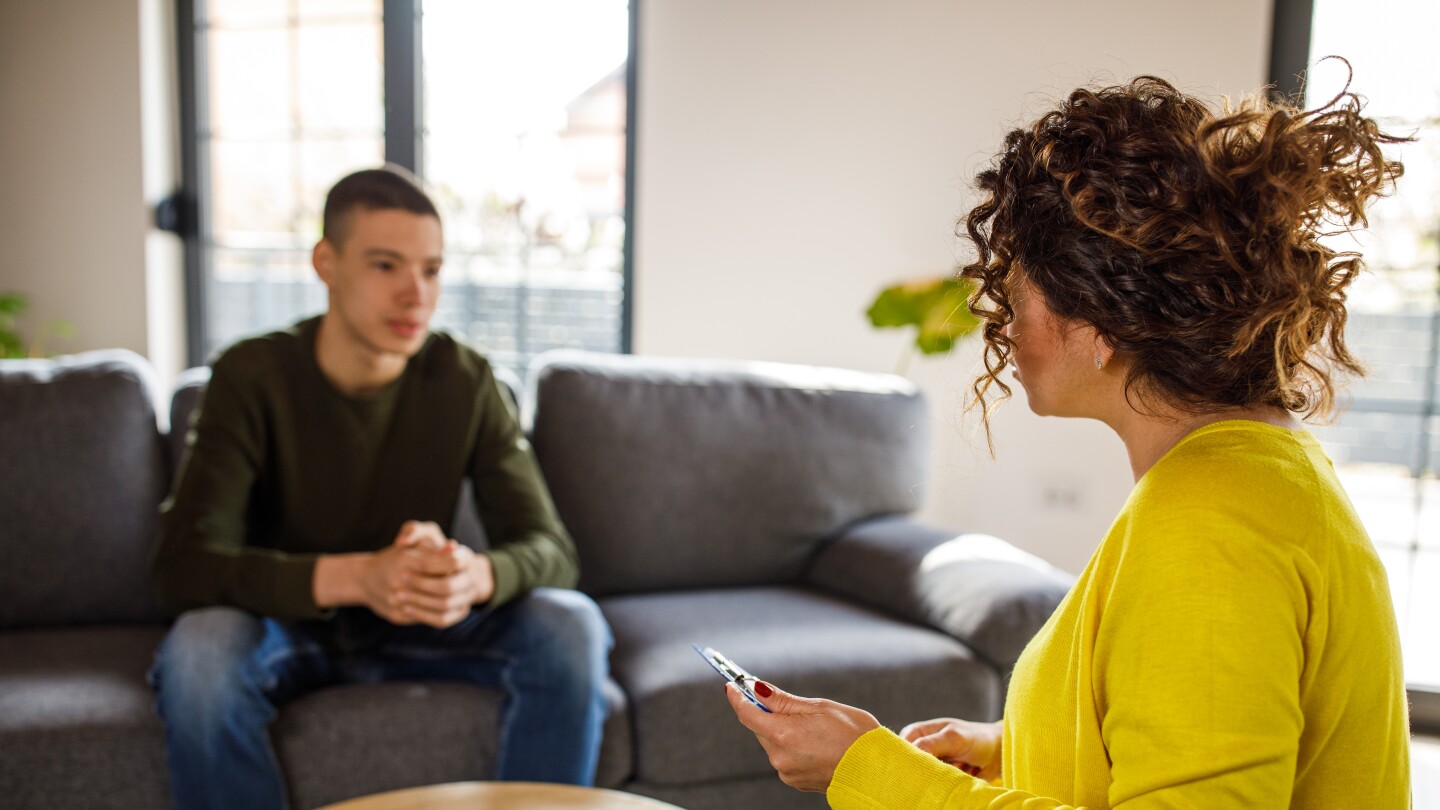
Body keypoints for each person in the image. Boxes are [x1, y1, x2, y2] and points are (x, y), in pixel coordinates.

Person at [725, 74, 1413, 807]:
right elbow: (1181, 720)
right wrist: (1010, 744)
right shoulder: (1253, 472)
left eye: (1018, 300)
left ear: (1101, 325)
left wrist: (869, 771)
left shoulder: (1211, 527)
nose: (1005, 330)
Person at [149, 166, 612, 810]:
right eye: (386, 266)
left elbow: (551, 550)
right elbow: (183, 568)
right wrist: (361, 577)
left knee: (572, 625)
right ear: (325, 262)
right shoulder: (250, 375)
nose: (415, 294)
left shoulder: (465, 377)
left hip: (427, 626)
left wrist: (472, 576)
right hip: (288, 628)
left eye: (431, 269)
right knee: (199, 653)